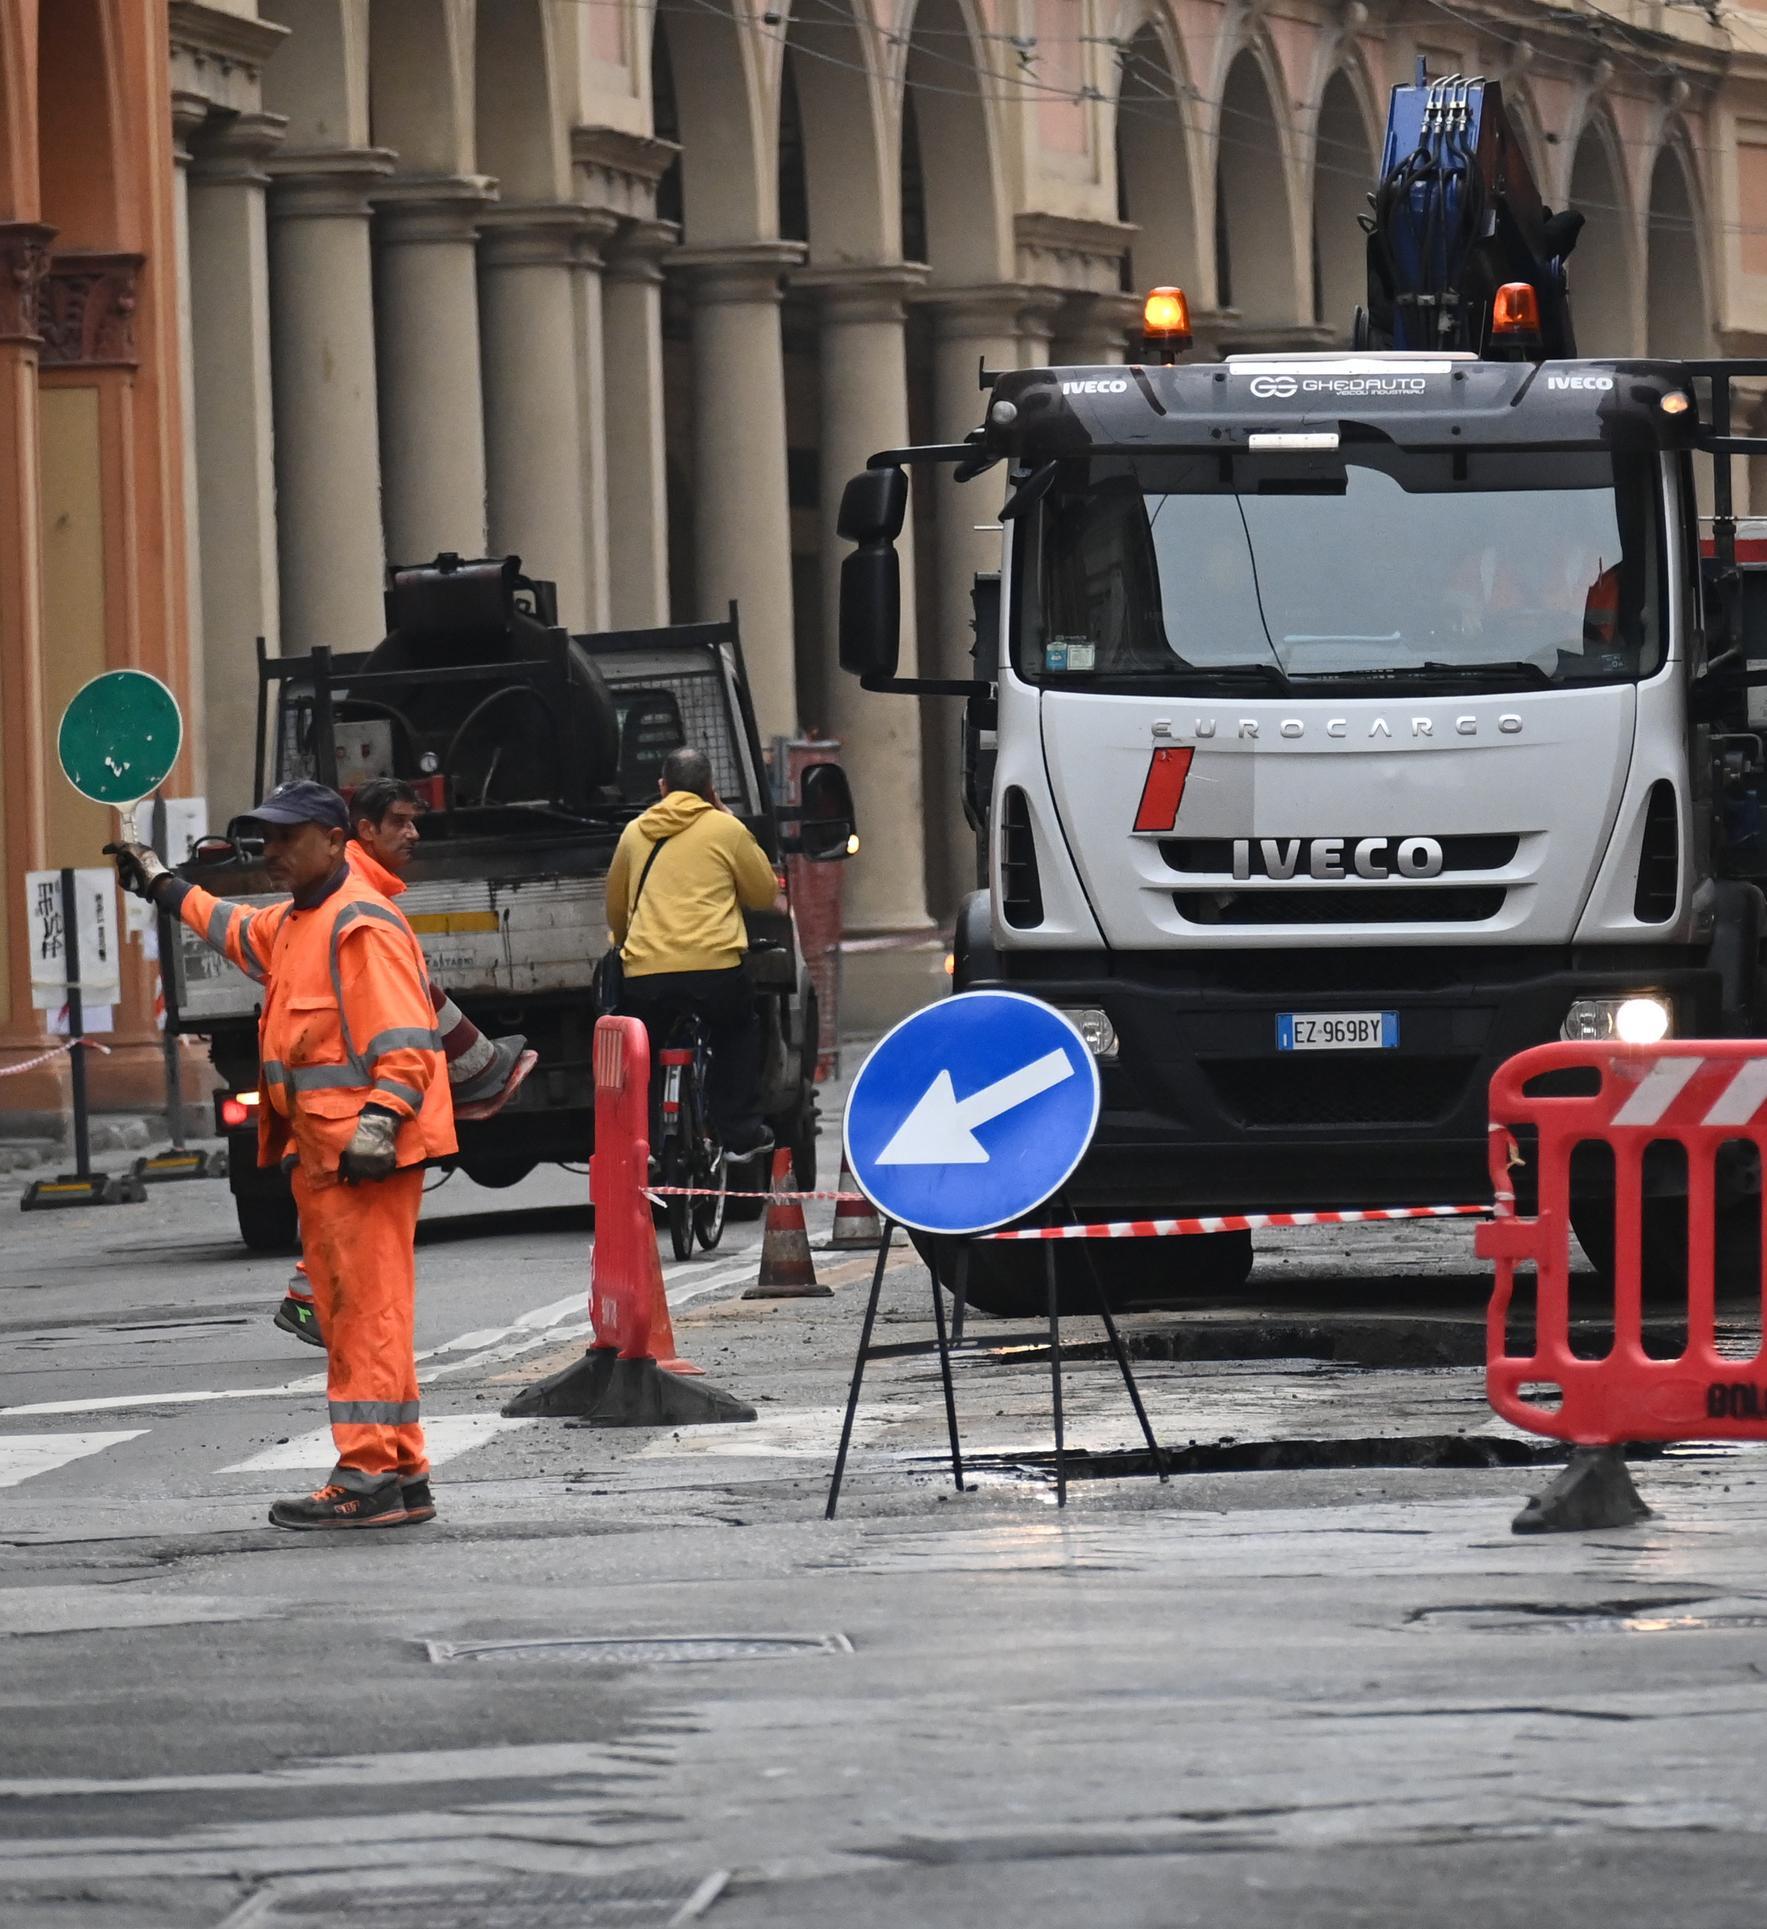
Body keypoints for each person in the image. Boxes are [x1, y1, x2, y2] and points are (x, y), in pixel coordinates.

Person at [109, 781, 454, 1530]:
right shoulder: (300, 920)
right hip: (336, 1153)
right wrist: (164, 884)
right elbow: (228, 923)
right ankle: (400, 1470)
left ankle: (366, 1473)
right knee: (361, 1311)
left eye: (288, 838)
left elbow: (404, 1042)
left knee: (360, 1314)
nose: (272, 851)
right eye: (266, 838)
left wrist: (379, 1123)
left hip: (362, 1153)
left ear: (334, 840)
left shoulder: (356, 922)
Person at [271, 777, 534, 1349]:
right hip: (352, 1115)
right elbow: (398, 1021)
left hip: (329, 1110)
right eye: (401, 823)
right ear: (360, 832)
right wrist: (386, 1114)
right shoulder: (358, 898)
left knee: (344, 1249)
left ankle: (317, 1302)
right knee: (369, 1299)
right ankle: (320, 1306)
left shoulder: (348, 890)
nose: (414, 834)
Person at [607, 746, 780, 1158]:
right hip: (715, 971)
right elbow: (763, 892)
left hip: (646, 975)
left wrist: (624, 942)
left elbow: (617, 908)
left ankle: (642, 1141)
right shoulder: (725, 829)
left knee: (642, 1050)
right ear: (709, 789)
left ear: (662, 787)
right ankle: (740, 1132)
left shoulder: (634, 833)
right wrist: (730, 820)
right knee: (737, 1031)